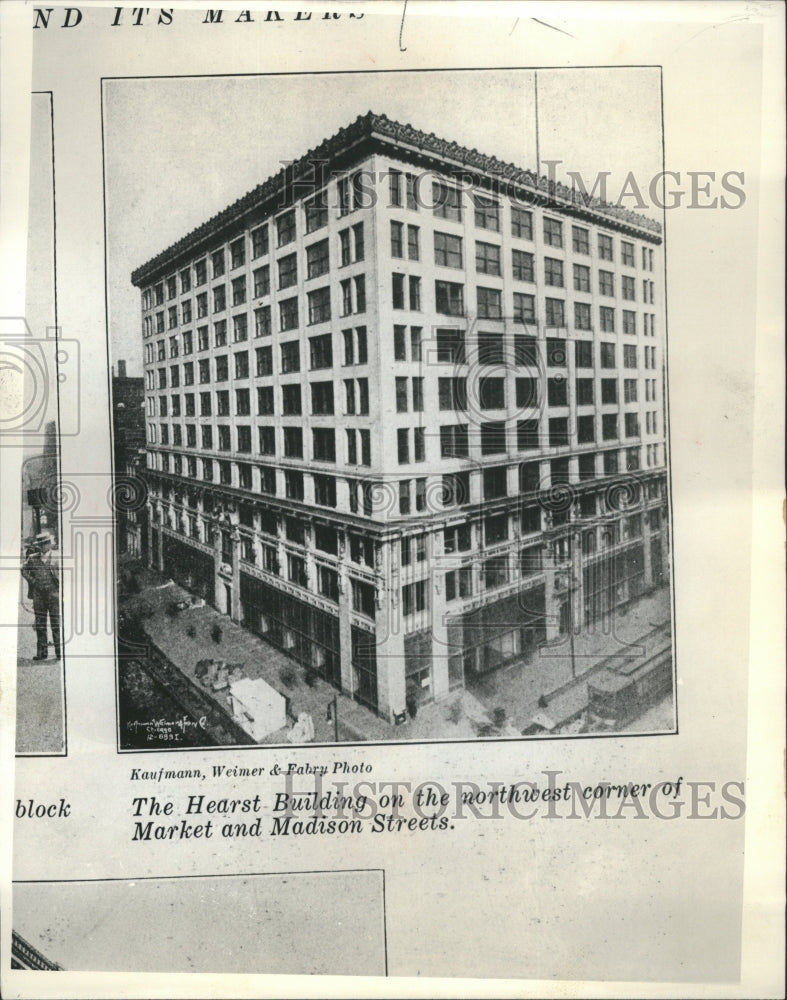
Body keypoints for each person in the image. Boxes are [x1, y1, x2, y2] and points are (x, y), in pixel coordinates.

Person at [21, 532, 61, 661]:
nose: (44, 546)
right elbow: (23, 569)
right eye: (41, 544)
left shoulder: (57, 557)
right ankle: (42, 653)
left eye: (46, 543)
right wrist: (32, 581)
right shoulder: (32, 558)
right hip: (39, 596)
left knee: (56, 624)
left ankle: (60, 652)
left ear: (50, 544)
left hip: (53, 594)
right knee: (40, 624)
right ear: (38, 546)